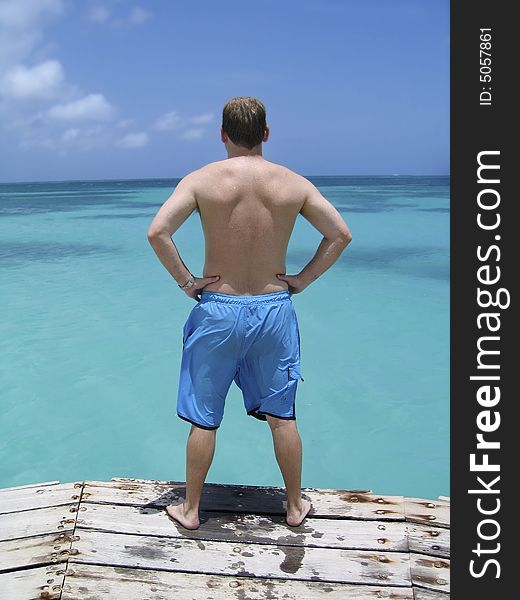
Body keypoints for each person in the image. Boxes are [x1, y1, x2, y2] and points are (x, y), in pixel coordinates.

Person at [147, 96, 352, 530]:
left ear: (222, 134)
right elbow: (339, 235)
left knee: (204, 417)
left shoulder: (202, 181)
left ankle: (191, 510)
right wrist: (302, 279)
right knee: (283, 416)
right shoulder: (293, 183)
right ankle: (295, 507)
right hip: (274, 308)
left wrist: (187, 282)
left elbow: (158, 232)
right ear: (266, 133)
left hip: (218, 309)